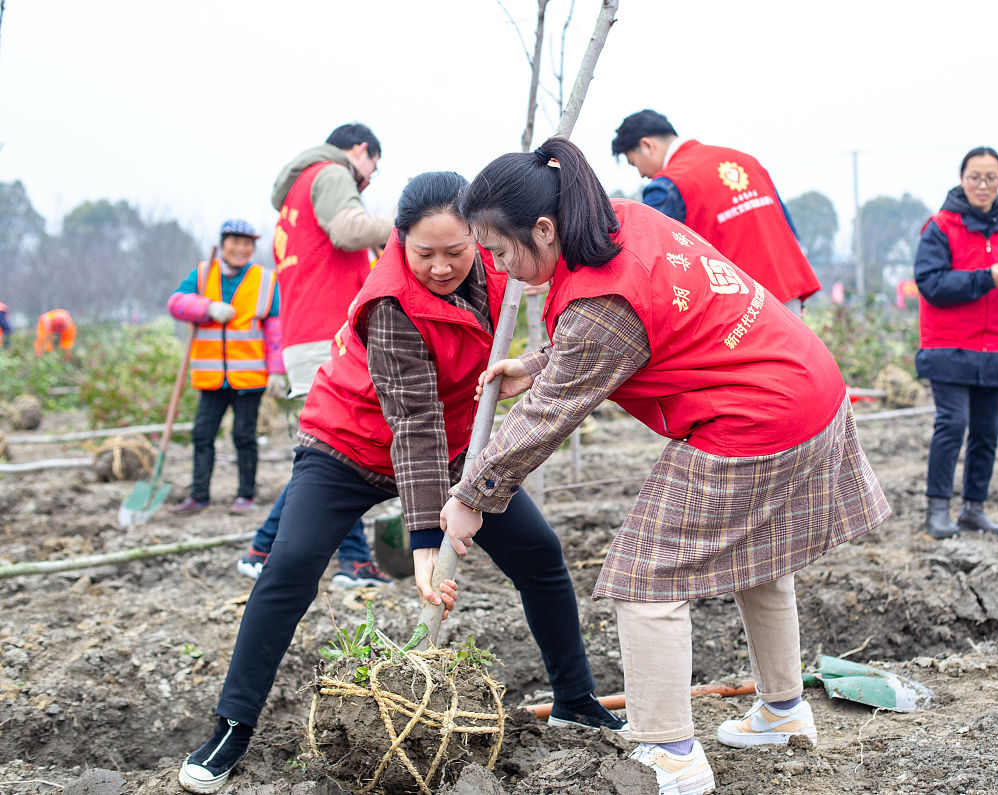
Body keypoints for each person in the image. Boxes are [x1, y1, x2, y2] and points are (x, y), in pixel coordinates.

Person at [442, 139, 890, 795]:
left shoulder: (601, 300)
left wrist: (473, 494)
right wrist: (536, 364)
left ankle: (670, 754)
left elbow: (548, 416)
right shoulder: (619, 220)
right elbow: (616, 335)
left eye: (501, 250)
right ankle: (785, 713)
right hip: (805, 380)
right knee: (762, 556)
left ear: (543, 228)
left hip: (756, 412)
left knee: (648, 576)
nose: (499, 267)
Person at [178, 172, 626, 795]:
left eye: (456, 251)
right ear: (399, 241)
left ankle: (576, 697)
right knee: (291, 566)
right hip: (352, 441)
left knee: (541, 555)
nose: (441, 267)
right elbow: (412, 426)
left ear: (478, 236)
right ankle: (232, 726)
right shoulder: (389, 302)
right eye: (424, 254)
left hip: (454, 438)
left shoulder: (503, 265)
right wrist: (423, 542)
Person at [241, 122, 395, 586]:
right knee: (338, 451)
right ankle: (354, 562)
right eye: (372, 168)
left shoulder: (296, 190)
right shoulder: (331, 172)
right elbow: (349, 230)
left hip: (305, 331)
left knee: (325, 450)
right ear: (361, 150)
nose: (367, 179)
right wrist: (407, 225)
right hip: (327, 332)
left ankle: (262, 547)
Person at [913, 146, 998, 540]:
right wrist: (987, 278)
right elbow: (931, 285)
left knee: (986, 432)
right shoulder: (940, 227)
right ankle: (937, 509)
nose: (983, 185)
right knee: (952, 424)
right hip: (949, 346)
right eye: (975, 177)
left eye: (990, 178)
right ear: (962, 179)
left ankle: (974, 508)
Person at [611, 109, 820, 316]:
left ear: (647, 146)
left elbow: (645, 259)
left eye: (634, 163)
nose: (641, 174)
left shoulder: (668, 185)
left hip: (743, 314)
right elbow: (789, 231)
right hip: (788, 296)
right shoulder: (745, 160)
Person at [167, 221, 282, 515]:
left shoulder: (266, 279)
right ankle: (199, 495)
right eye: (235, 242)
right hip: (212, 376)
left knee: (244, 437)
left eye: (247, 244)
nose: (241, 248)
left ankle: (246, 495)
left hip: (249, 375)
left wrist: (277, 370)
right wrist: (207, 308)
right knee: (202, 435)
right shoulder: (204, 273)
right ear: (223, 243)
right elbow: (177, 303)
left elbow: (275, 328)